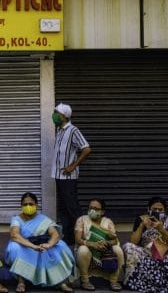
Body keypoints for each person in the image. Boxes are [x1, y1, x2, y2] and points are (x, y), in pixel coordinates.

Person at [5, 192, 75, 293]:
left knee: (60, 245)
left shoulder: (43, 219)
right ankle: (21, 282)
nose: (28, 206)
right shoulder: (16, 219)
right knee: (14, 247)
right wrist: (33, 246)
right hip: (25, 245)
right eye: (25, 204)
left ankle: (60, 282)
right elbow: (15, 235)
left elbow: (55, 234)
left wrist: (49, 244)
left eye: (31, 204)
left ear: (36, 205)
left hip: (43, 244)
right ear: (21, 206)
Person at [123, 197, 168, 293]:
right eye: (154, 209)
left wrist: (161, 229)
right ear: (149, 209)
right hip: (146, 253)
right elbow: (133, 242)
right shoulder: (141, 219)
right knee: (128, 246)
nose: (157, 211)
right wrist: (142, 225)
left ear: (164, 210)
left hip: (165, 253)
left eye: (160, 210)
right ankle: (133, 280)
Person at [50, 102, 91, 246]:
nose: (54, 115)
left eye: (57, 113)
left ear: (64, 116)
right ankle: (69, 239)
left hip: (68, 177)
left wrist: (73, 165)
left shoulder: (73, 130)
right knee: (64, 208)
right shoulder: (60, 130)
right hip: (59, 176)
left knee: (72, 208)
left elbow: (86, 149)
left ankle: (83, 237)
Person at [74, 198, 124, 291]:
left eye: (96, 209)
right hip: (88, 251)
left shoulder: (108, 222)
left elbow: (115, 240)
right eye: (90, 208)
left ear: (102, 211)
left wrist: (106, 243)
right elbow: (78, 240)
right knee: (83, 250)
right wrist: (92, 244)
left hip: (104, 253)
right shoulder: (82, 220)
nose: (92, 211)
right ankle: (85, 281)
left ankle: (114, 281)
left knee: (118, 250)